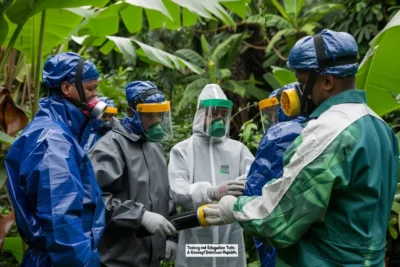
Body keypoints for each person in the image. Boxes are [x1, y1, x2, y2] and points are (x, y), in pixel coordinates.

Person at [202, 29, 399, 266]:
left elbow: (276, 219)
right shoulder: (381, 127)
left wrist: (233, 208)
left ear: (327, 81)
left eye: (303, 82)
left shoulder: (328, 131)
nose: (298, 91)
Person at [4, 52, 107, 266]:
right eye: (90, 89)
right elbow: (62, 221)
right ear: (67, 88)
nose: (96, 98)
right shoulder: (53, 142)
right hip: (60, 260)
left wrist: (93, 126)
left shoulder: (59, 131)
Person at [88, 81, 178, 267]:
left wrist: (171, 237)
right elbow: (94, 200)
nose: (157, 122)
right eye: (149, 116)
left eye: (159, 115)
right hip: (118, 259)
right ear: (131, 113)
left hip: (152, 260)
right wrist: (140, 216)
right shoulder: (110, 147)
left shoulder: (155, 147)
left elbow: (164, 195)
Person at [168, 84, 254, 267]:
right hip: (195, 240)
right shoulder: (183, 150)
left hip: (229, 239)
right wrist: (210, 192)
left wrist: (237, 191)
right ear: (202, 115)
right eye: (214, 114)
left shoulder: (238, 150)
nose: (220, 119)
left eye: (223, 114)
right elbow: (177, 189)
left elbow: (255, 177)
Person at [243, 82, 307, 267]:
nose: (272, 118)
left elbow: (255, 191)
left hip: (279, 234)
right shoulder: (325, 127)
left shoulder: (278, 135)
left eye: (273, 111)